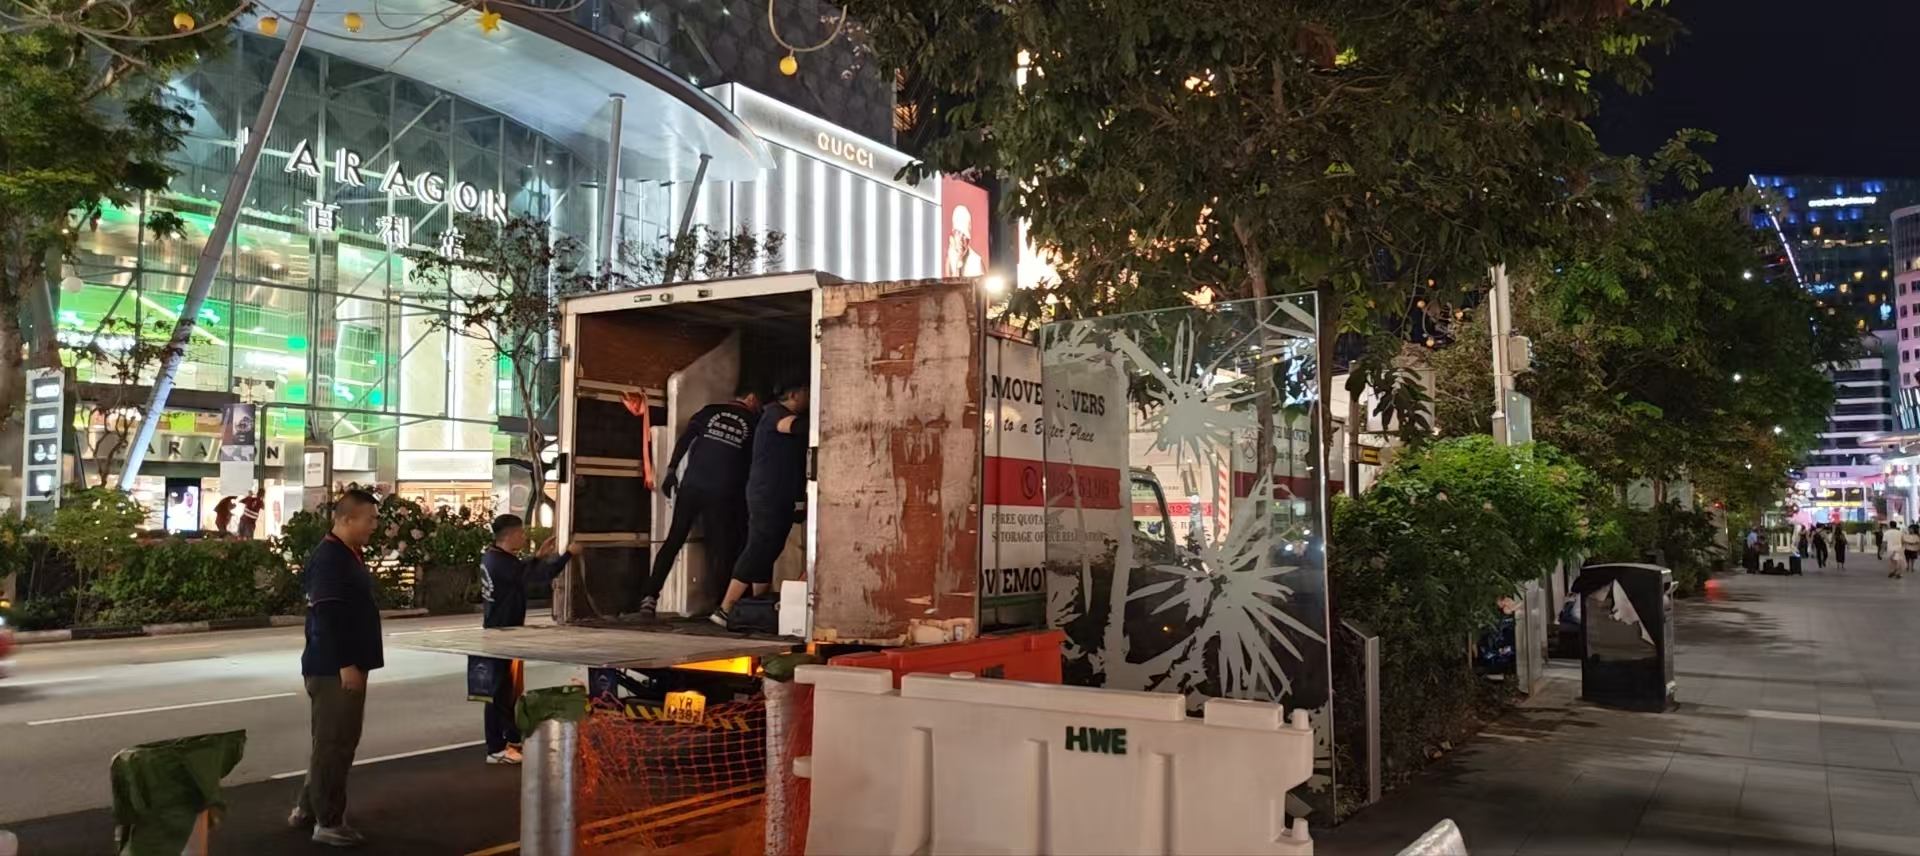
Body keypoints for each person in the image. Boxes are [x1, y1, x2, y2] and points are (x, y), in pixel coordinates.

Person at [289, 489, 383, 847]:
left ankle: (308, 809)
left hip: (338, 663)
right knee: (336, 743)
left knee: (329, 743)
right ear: (346, 519)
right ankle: (328, 821)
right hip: (334, 667)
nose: (374, 525)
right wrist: (347, 663)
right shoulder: (331, 559)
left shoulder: (346, 554)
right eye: (369, 519)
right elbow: (327, 615)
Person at [625, 384, 761, 619]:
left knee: (674, 540)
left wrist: (670, 471)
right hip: (723, 493)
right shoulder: (753, 422)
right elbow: (752, 464)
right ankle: (723, 606)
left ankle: (649, 599)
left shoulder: (708, 411)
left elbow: (685, 439)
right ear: (751, 397)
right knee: (722, 548)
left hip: (692, 487)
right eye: (758, 402)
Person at [477, 514, 581, 764]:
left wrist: (536, 556)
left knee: (506, 691)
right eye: (521, 533)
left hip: (502, 632)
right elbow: (541, 576)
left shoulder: (494, 557)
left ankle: (507, 739)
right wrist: (569, 554)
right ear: (510, 535)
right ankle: (496, 748)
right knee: (498, 693)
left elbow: (522, 571)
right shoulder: (501, 563)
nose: (524, 537)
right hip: (502, 634)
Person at [714, 380, 809, 627]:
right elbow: (796, 428)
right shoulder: (775, 414)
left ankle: (757, 608)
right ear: (793, 393)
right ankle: (726, 608)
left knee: (769, 550)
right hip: (768, 494)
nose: (808, 398)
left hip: (781, 494)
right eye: (806, 393)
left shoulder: (777, 416)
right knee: (759, 547)